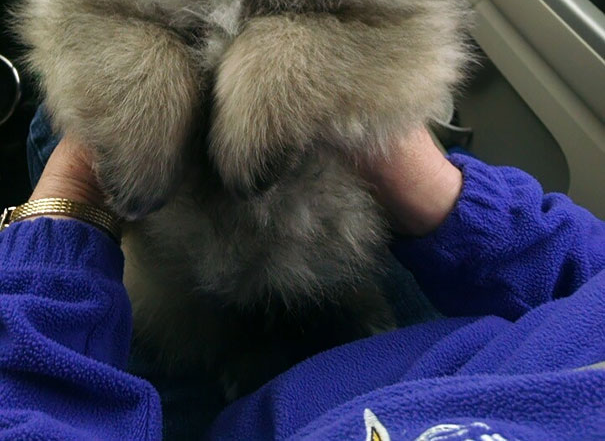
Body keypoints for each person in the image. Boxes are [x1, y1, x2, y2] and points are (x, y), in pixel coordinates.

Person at [0, 127, 604, 441]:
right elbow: (590, 267)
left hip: (181, 404)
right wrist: (442, 197)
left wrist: (68, 203)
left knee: (75, 112)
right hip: (447, 343)